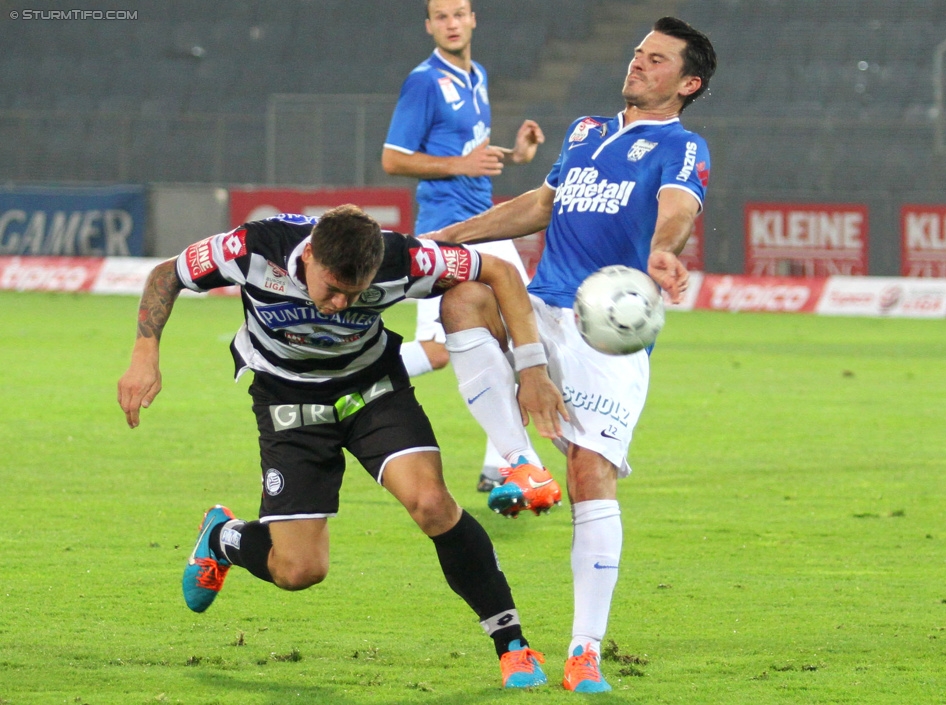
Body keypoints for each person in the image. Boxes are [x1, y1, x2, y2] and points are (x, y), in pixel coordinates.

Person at [116, 205, 567, 688]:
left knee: (433, 504)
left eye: (353, 294)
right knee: (299, 570)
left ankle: (512, 645)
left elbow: (495, 270)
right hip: (289, 403)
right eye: (331, 288)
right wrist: (145, 353)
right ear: (308, 254)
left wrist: (531, 367)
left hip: (373, 392)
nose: (337, 303)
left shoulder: (401, 258)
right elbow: (168, 274)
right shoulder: (250, 249)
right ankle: (223, 537)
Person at [431, 17, 717, 693]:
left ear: (688, 82)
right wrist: (449, 236)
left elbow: (678, 208)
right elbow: (541, 205)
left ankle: (584, 650)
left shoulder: (682, 145)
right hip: (542, 305)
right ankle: (522, 462)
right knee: (465, 296)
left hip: (607, 331)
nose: (638, 64)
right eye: (638, 53)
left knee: (592, 475)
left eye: (656, 60)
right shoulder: (587, 130)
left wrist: (663, 248)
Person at [382, 0, 549, 493]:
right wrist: (460, 167)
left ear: (473, 19)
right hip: (447, 227)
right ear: (429, 26)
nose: (453, 23)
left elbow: (468, 154)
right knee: (439, 350)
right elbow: (394, 159)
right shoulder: (424, 82)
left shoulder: (477, 76)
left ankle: (505, 463)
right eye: (442, 16)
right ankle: (339, 380)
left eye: (460, 14)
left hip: (488, 225)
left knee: (517, 337)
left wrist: (516, 155)